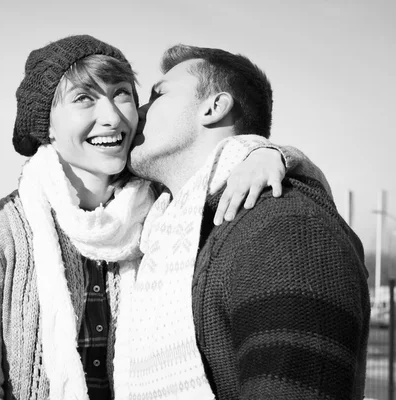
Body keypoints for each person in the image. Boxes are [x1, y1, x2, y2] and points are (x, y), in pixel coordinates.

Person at [0, 35, 322, 400]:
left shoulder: (166, 211)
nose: (111, 117)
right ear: (46, 126)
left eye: (121, 94)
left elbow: (220, 163)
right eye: (83, 99)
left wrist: (269, 153)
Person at [122, 44, 370, 399]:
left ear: (214, 107)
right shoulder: (167, 234)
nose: (138, 113)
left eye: (157, 95)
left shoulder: (284, 225)